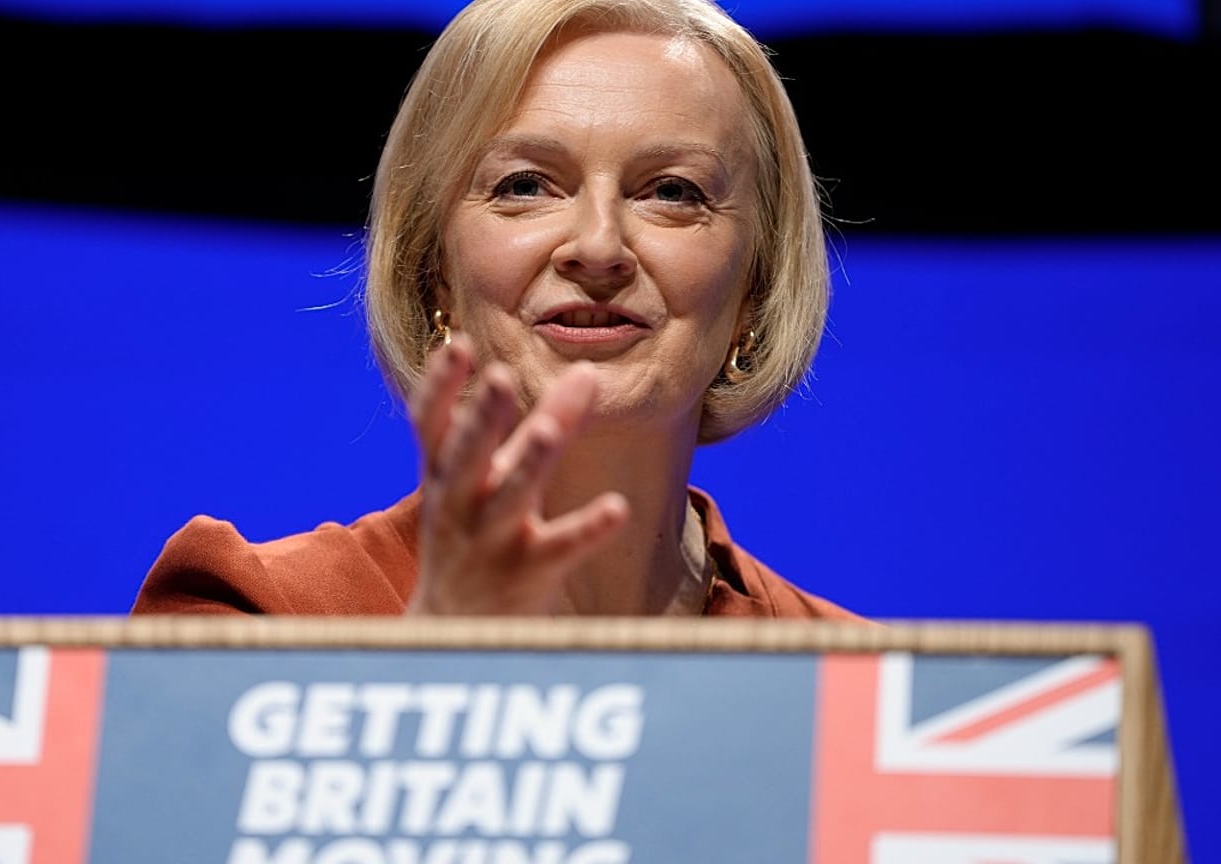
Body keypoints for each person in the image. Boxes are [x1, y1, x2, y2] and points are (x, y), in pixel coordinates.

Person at [133, 0, 863, 620]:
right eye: (525, 185)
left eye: (671, 191)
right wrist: (450, 660)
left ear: (757, 288)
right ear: (433, 276)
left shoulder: (856, 689)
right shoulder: (254, 613)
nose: (598, 245)